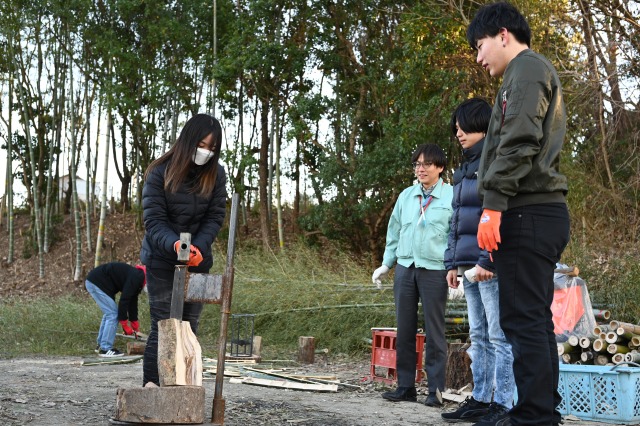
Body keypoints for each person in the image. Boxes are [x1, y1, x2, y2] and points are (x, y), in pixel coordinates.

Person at [467, 3, 570, 425]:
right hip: (538, 212)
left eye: (480, 45)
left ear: (503, 34)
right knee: (532, 317)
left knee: (521, 318)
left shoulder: (526, 71)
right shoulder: (525, 73)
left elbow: (520, 142)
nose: (478, 57)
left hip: (526, 212)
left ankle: (532, 416)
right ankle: (542, 411)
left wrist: (492, 207)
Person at [441, 98, 516, 425]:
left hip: (489, 265)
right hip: (467, 265)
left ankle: (504, 404)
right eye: (456, 127)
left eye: (463, 125)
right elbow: (456, 221)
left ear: (481, 125)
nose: (458, 132)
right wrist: (451, 264)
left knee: (499, 337)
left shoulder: (495, 160)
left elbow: (499, 213)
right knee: (480, 336)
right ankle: (482, 399)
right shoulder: (463, 168)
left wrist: (488, 259)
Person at [140, 113, 227, 387]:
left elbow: (215, 217)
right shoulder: (159, 172)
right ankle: (153, 385)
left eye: (212, 148)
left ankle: (186, 386)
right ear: (188, 140)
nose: (206, 152)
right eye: (202, 144)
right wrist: (177, 245)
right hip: (161, 260)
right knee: (164, 324)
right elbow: (153, 220)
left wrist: (197, 248)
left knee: (190, 326)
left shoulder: (217, 174)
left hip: (199, 261)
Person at [372, 144, 453, 407]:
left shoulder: (451, 196)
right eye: (417, 164)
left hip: (436, 270)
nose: (421, 169)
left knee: (435, 330)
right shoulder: (407, 196)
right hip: (406, 268)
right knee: (404, 329)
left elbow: (457, 235)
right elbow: (394, 233)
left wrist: (457, 270)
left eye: (427, 164)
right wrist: (386, 264)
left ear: (439, 167)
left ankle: (436, 390)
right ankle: (405, 386)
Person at [85, 262, 147, 358]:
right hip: (96, 283)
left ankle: (100, 345)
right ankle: (105, 349)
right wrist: (124, 324)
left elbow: (132, 301)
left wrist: (134, 324)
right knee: (112, 314)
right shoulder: (137, 278)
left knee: (109, 313)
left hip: (95, 282)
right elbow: (124, 301)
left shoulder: (138, 277)